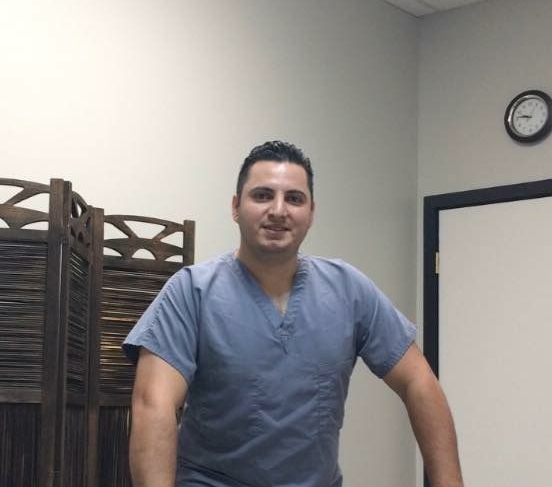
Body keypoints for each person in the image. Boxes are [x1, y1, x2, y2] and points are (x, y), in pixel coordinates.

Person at [123, 140, 463, 487]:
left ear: (311, 212)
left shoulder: (348, 290)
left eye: (294, 199)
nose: (278, 210)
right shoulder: (191, 292)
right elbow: (154, 404)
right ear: (236, 206)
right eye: (262, 195)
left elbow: (418, 381)